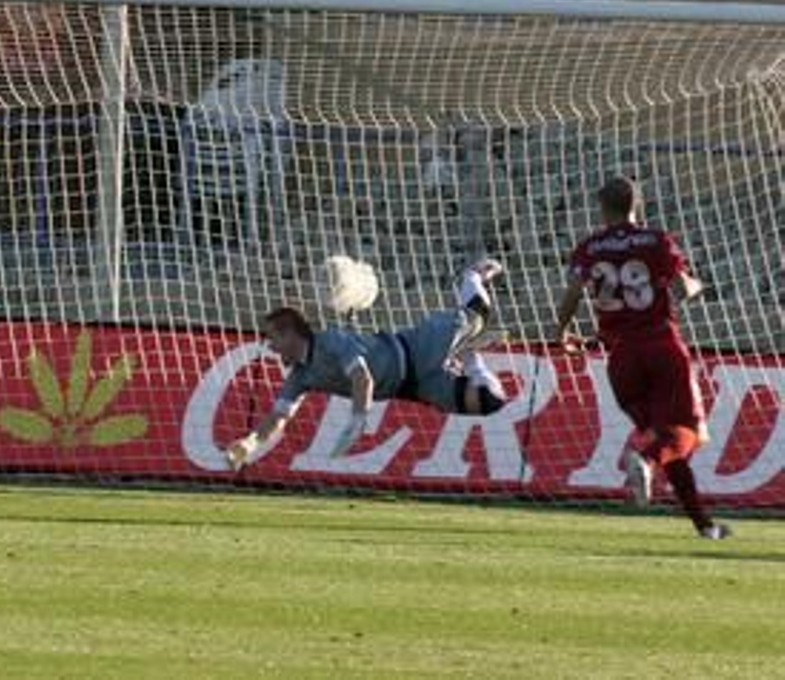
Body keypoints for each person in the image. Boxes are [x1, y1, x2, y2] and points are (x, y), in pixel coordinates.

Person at [552, 177, 728, 540]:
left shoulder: (590, 247)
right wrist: (698, 284)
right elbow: (682, 290)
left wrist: (561, 331)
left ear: (602, 208)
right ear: (638, 204)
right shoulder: (655, 240)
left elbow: (572, 293)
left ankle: (703, 524)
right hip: (663, 349)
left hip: (622, 361)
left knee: (665, 440)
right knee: (687, 434)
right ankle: (643, 460)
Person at [225, 257, 509, 470]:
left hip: (417, 348)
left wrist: (358, 420)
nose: (270, 346)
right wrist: (249, 443)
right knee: (491, 401)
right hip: (414, 386)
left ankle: (471, 276)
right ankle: (469, 356)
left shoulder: (331, 340)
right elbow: (279, 417)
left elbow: (363, 378)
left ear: (290, 332)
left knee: (478, 314)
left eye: (273, 337)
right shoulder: (301, 376)